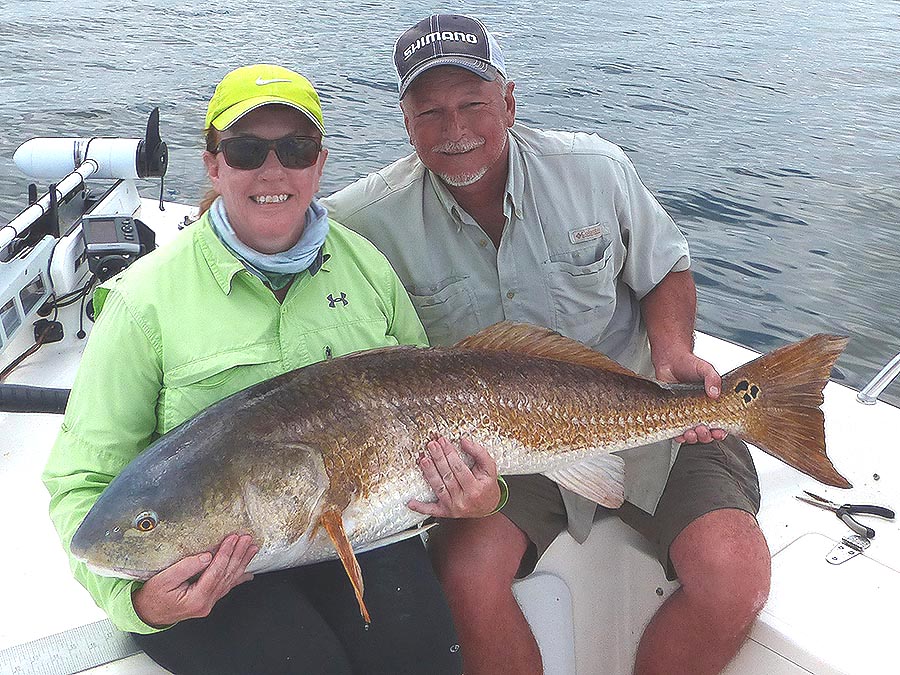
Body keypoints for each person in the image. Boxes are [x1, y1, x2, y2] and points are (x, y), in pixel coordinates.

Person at [321, 14, 770, 675]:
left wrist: (673, 352)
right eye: (431, 112)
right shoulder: (361, 221)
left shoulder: (596, 170)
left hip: (645, 414)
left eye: (473, 104)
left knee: (734, 573)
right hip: (497, 453)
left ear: (508, 98)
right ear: (405, 120)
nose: (456, 131)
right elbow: (279, 223)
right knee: (464, 582)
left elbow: (666, 266)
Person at [42, 63, 489, 675]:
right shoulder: (143, 301)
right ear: (213, 164)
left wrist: (480, 490)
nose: (273, 171)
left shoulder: (367, 270)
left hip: (358, 531)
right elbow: (79, 483)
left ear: (321, 160)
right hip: (214, 568)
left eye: (296, 147)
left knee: (425, 662)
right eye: (247, 149)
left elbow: (444, 404)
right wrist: (140, 600)